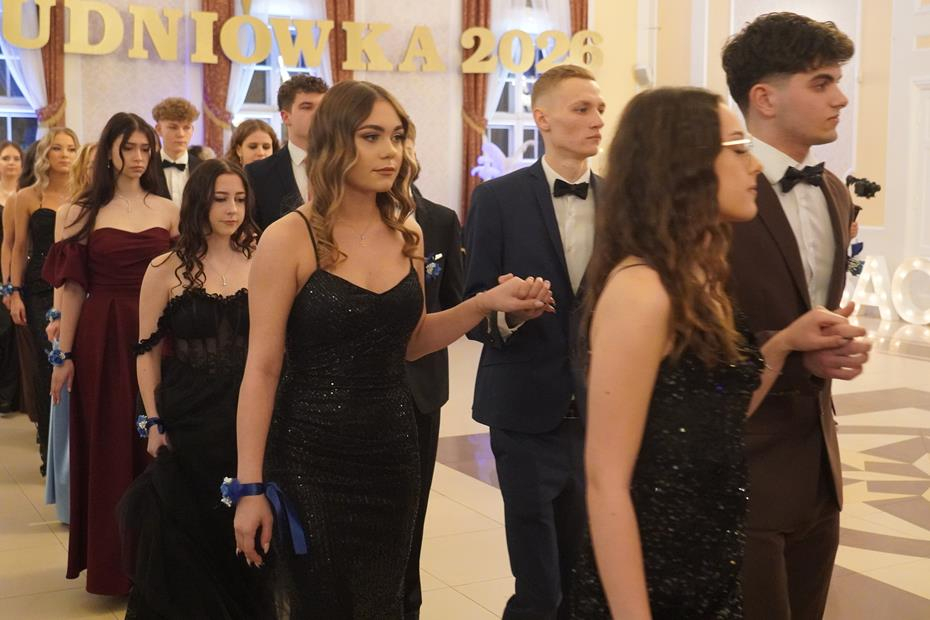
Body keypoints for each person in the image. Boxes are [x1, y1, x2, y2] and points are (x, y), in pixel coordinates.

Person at [231, 79, 553, 618]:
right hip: (310, 453)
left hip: (393, 447)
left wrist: (485, 303)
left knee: (384, 599)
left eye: (398, 137)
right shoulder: (289, 237)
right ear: (335, 143)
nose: (391, 151)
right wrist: (249, 486)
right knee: (321, 604)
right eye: (372, 136)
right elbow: (261, 369)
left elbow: (412, 342)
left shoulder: (408, 231)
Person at [568, 86, 865, 619]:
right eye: (738, 148)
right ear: (685, 165)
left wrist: (784, 344)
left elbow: (718, 414)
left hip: (712, 562)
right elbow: (605, 480)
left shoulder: (701, 281)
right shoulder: (641, 291)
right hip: (656, 572)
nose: (755, 164)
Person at [722, 14, 870, 619]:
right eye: (821, 83)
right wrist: (784, 345)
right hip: (735, 458)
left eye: (839, 82)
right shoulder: (713, 191)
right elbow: (686, 329)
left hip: (817, 466)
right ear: (764, 98)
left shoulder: (834, 189)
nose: (840, 99)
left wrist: (829, 346)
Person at [463, 64, 604, 619]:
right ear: (542, 118)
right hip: (523, 408)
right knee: (539, 583)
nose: (597, 120)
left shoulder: (622, 202)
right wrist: (511, 314)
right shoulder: (497, 199)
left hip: (599, 410)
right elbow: (473, 307)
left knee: (583, 572)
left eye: (599, 109)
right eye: (581, 109)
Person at [118, 159, 260, 619]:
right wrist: (153, 422)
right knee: (186, 535)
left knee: (246, 530)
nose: (232, 209)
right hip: (188, 416)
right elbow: (146, 352)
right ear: (199, 202)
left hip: (248, 411)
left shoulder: (261, 257)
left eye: (239, 199)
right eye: (221, 199)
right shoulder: (165, 267)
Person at [44, 112, 179, 595]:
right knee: (109, 443)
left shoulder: (169, 208)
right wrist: (63, 357)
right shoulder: (78, 211)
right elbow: (72, 289)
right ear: (109, 152)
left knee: (160, 441)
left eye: (145, 149)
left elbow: (184, 279)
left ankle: (160, 563)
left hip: (161, 333)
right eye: (128, 148)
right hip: (102, 333)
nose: (138, 158)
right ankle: (113, 565)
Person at [402, 127, 465, 620]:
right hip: (348, 392)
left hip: (421, 389)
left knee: (413, 515)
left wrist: (498, 308)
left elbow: (456, 302)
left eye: (401, 139)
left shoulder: (441, 221)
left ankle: (409, 605)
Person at [8, 128, 79, 474]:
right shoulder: (28, 196)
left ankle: (74, 447)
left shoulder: (84, 193)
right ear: (45, 154)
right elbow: (19, 247)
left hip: (76, 287)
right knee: (47, 363)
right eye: (57, 148)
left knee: (75, 364)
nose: (65, 155)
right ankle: (48, 446)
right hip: (38, 290)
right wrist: (13, 292)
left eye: (71, 149)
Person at [44, 141, 97, 524]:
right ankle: (68, 494)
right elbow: (63, 277)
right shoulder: (69, 211)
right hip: (77, 312)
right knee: (68, 401)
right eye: (92, 163)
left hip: (113, 312)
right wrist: (57, 315)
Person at [246, 75, 327, 229]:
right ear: (285, 116)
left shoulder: (345, 166)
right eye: (307, 107)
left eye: (323, 108)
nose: (318, 114)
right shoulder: (258, 174)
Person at [0, 140, 24, 415]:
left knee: (14, 331)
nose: (11, 163)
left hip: (17, 268)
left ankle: (14, 396)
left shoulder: (25, 195)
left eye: (16, 158)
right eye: (6, 158)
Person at [152, 97, 204, 204]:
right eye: (173, 127)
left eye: (186, 127)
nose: (181, 134)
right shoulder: (147, 167)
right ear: (159, 129)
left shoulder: (203, 169)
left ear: (192, 130)